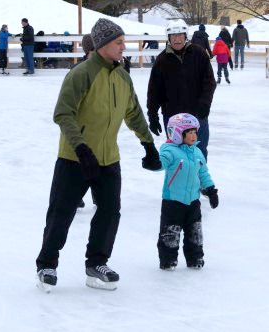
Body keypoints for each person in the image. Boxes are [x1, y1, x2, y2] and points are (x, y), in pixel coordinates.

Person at [35, 18, 161, 293]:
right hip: (74, 158)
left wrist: (148, 144)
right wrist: (80, 147)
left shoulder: (122, 76)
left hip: (108, 158)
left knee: (109, 211)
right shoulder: (81, 74)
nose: (123, 47)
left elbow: (133, 113)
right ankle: (47, 264)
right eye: (118, 43)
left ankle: (97, 263)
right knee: (61, 212)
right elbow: (63, 113)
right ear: (103, 45)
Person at [147, 20, 216, 161]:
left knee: (199, 152)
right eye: (173, 36)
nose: (177, 39)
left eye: (180, 35)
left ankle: (200, 182)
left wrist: (205, 104)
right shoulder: (161, 60)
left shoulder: (199, 54)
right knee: (177, 154)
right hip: (173, 117)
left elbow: (209, 82)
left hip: (197, 114)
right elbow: (154, 91)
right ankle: (179, 182)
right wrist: (152, 116)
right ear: (168, 38)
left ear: (185, 36)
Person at [157, 113, 219, 271]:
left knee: (195, 232)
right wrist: (153, 162)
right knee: (170, 233)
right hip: (173, 201)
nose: (194, 136)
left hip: (193, 201)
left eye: (195, 132)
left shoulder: (197, 152)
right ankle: (168, 259)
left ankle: (195, 258)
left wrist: (211, 190)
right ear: (178, 134)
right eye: (189, 132)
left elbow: (203, 173)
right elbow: (161, 162)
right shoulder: (170, 150)